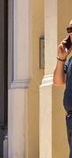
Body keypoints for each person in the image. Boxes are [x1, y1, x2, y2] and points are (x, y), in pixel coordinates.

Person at [53, 20, 72, 158]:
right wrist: (61, 58)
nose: (71, 33)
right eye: (69, 30)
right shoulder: (70, 60)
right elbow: (58, 81)